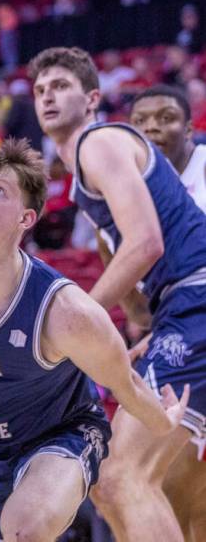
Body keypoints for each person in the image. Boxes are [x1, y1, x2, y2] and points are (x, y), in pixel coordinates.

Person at [0, 139, 189, 542]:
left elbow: (127, 384)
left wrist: (163, 420)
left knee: (25, 528)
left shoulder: (66, 312)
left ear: (26, 218)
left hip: (61, 433)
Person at [29, 48, 206, 542]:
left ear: (91, 98)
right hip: (183, 308)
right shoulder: (86, 167)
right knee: (130, 486)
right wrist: (154, 328)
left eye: (60, 86)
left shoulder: (98, 143)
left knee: (124, 476)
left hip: (196, 298)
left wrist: (76, 316)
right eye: (40, 90)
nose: (47, 96)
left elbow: (145, 243)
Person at [129, 84, 206, 541]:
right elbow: (136, 307)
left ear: (191, 127)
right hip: (179, 331)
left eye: (166, 116)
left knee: (128, 476)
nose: (153, 126)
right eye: (141, 120)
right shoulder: (129, 192)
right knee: (179, 497)